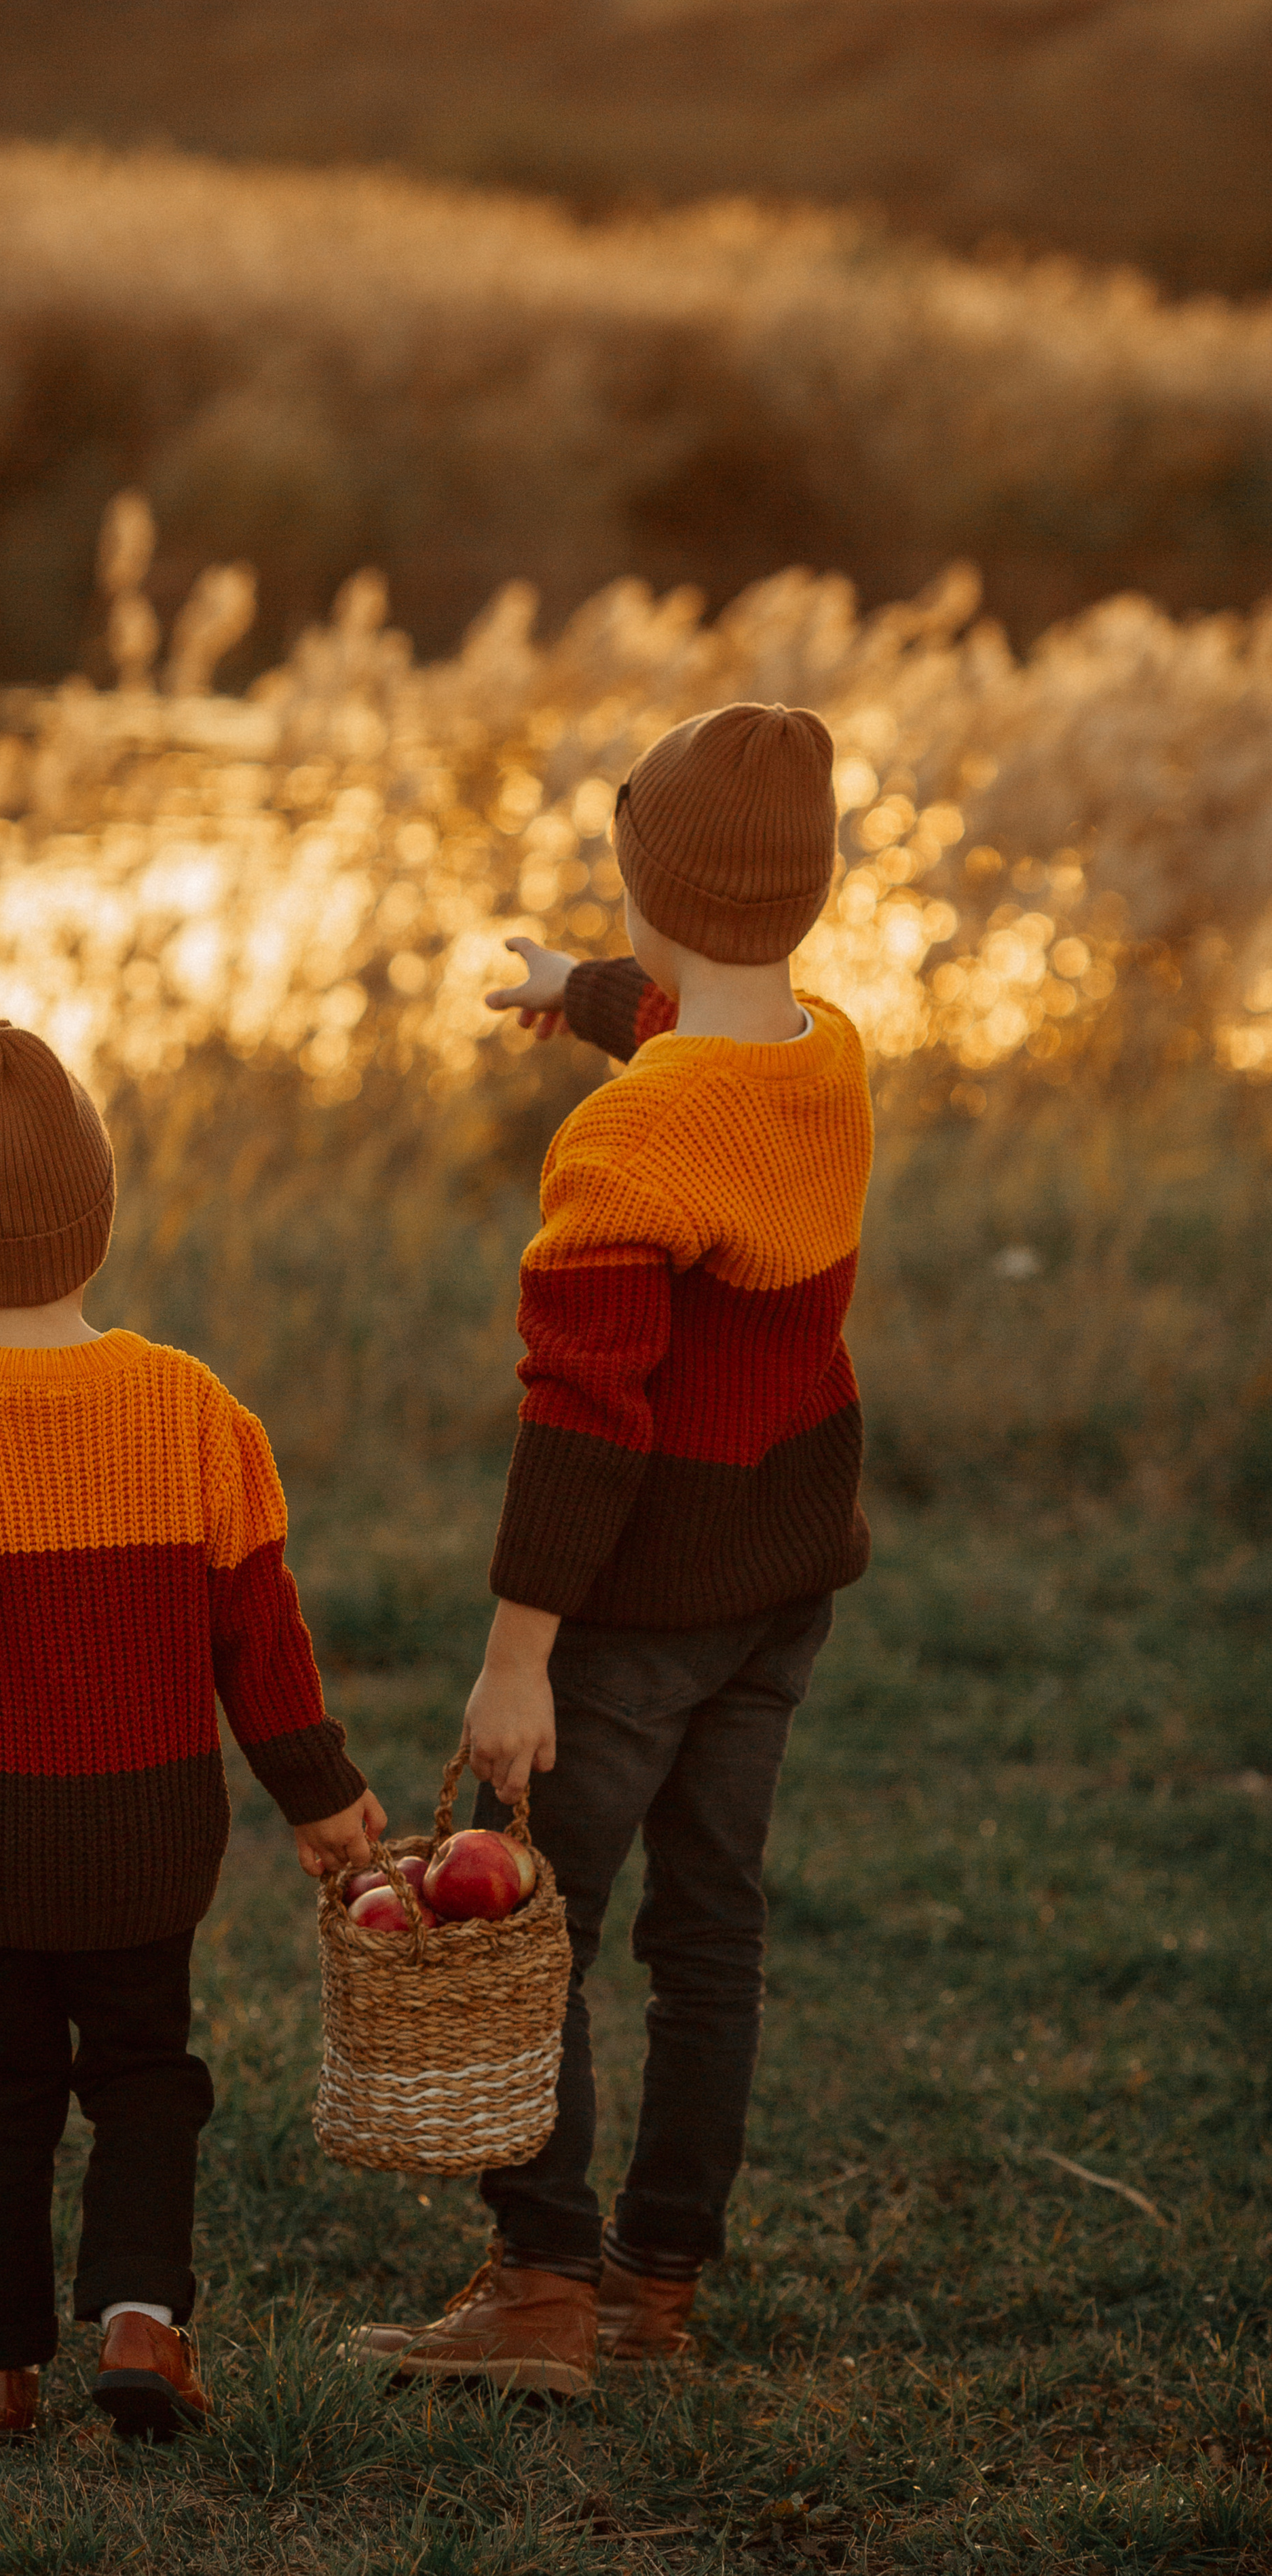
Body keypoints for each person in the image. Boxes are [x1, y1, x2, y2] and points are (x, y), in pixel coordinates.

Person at [349, 701, 872, 2393]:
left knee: (531, 1934)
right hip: (778, 1583)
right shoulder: (824, 1051)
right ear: (813, 891)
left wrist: (517, 1661)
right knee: (709, 1932)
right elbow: (687, 1028)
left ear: (646, 882)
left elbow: (583, 1417)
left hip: (639, 1612)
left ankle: (540, 2288)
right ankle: (654, 2289)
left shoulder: (630, 1136)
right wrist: (573, 986)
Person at [0, 1018, 382, 2440]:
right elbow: (260, 1634)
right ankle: (140, 2322)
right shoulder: (191, 1407)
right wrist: (319, 1797)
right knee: (145, 2076)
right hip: (143, 1835)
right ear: (99, 1215)